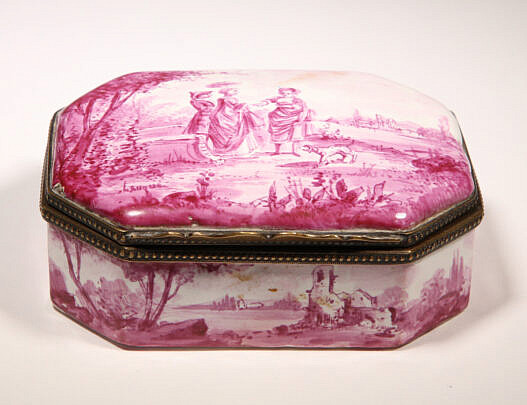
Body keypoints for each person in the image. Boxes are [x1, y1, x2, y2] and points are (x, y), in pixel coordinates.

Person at [208, 88, 260, 155]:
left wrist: (243, 105)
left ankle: (238, 150)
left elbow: (236, 106)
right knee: (223, 128)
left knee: (238, 127)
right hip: (225, 114)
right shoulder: (222, 99)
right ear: (226, 92)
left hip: (232, 113)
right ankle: (224, 150)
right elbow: (219, 107)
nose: (234, 92)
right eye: (231, 90)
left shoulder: (233, 98)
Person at [262, 88, 310, 156]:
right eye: (283, 93)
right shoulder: (278, 98)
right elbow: (268, 100)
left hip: (293, 119)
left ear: (293, 94)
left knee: (295, 135)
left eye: (288, 93)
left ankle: (295, 151)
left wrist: (301, 119)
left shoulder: (298, 100)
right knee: (277, 135)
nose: (285, 95)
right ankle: (277, 151)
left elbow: (304, 110)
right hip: (278, 119)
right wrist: (264, 102)